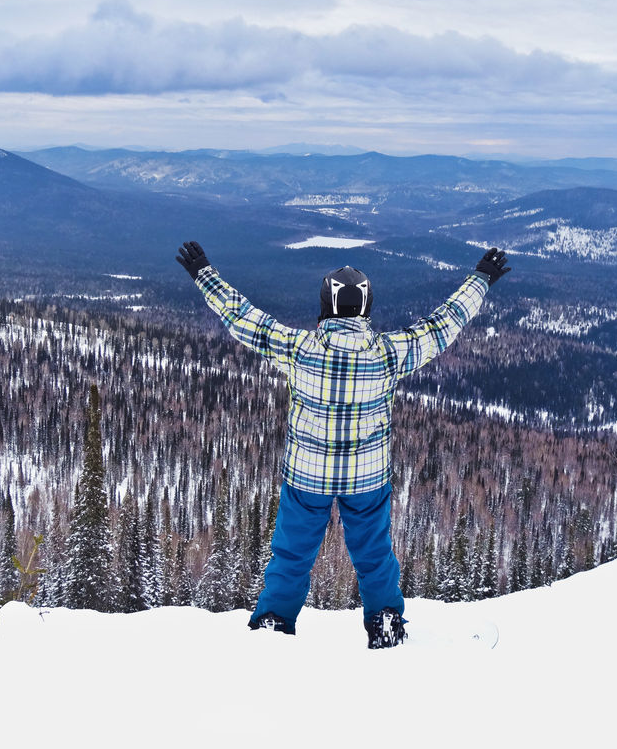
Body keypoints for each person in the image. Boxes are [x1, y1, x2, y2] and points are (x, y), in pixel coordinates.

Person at [175, 240, 509, 648]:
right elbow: (444, 324)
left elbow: (243, 317)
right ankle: (385, 619)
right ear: (366, 309)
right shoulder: (388, 354)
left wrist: (204, 274)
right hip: (367, 479)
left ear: (324, 307)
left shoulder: (299, 350)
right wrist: (481, 279)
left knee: (292, 555)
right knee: (374, 555)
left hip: (307, 477)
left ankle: (274, 625)